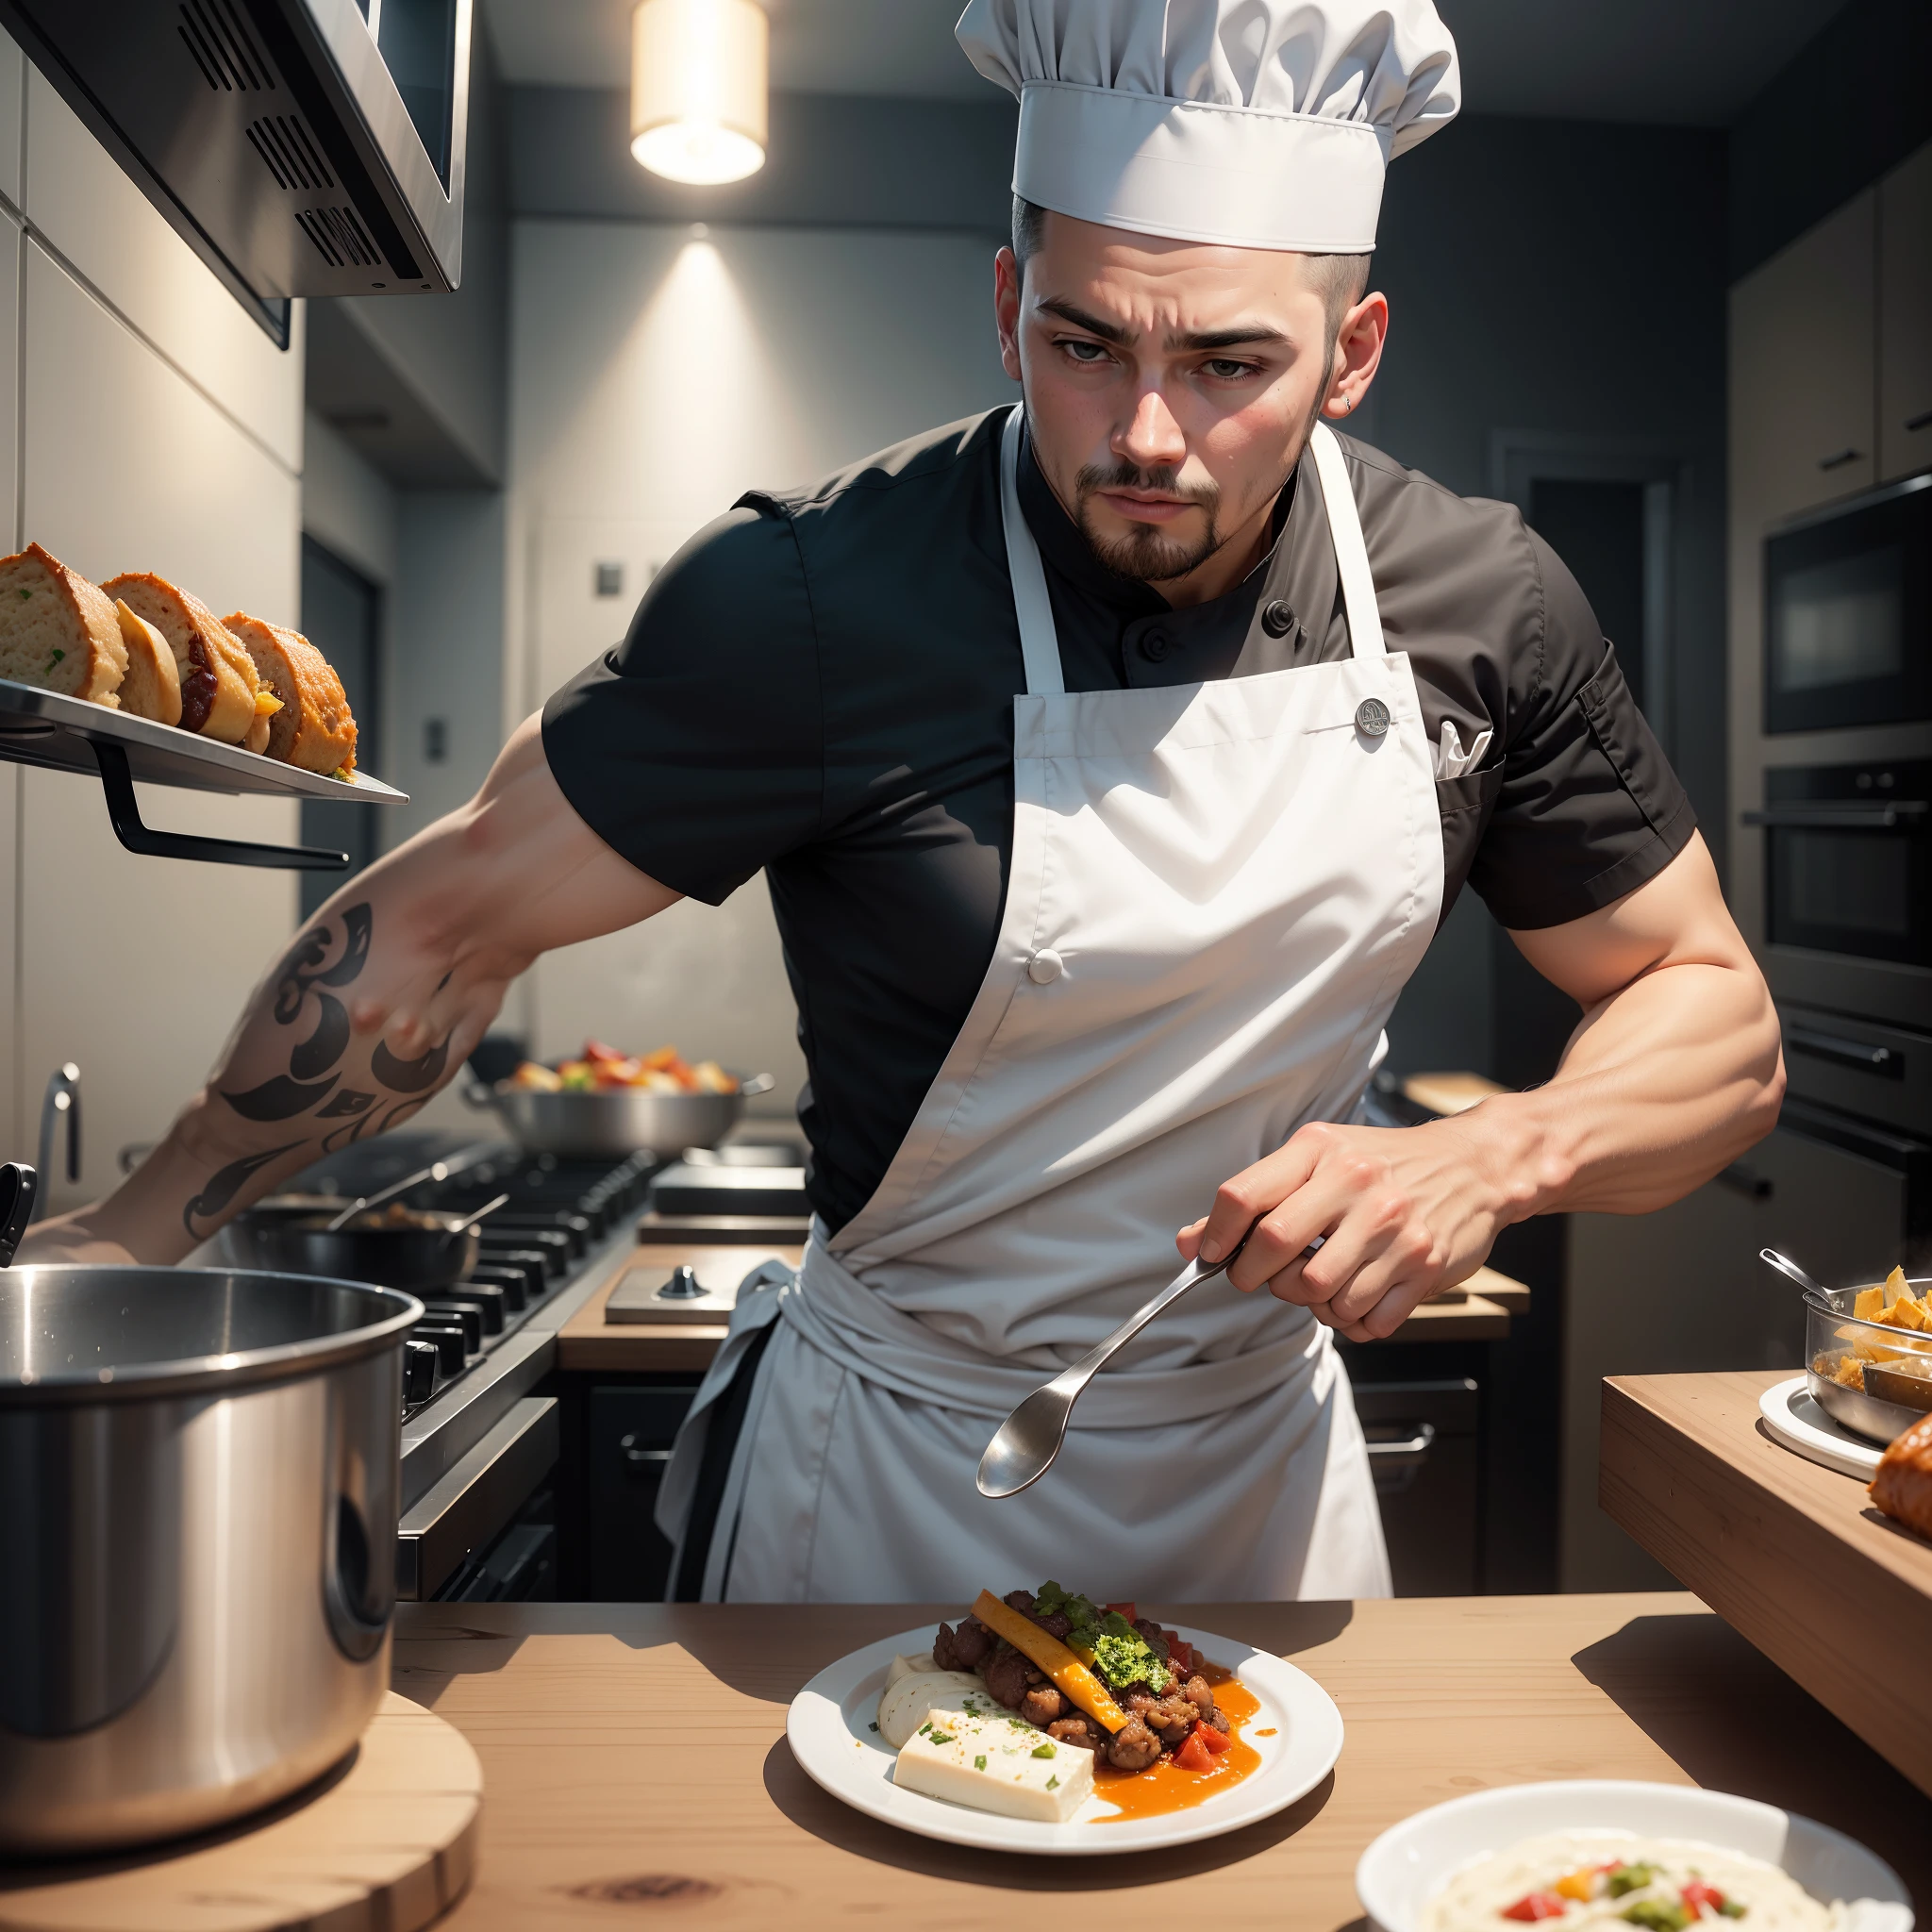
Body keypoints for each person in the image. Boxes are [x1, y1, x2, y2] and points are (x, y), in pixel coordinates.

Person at [24, 0, 1783, 1603]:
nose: (1146, 437)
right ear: (1011, 308)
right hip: (894, 1477)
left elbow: (1710, 1011)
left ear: (1355, 351)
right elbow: (445, 919)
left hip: (1260, 1476)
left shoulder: (1490, 609)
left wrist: (1497, 1153)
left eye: (1231, 367)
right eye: (1088, 346)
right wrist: (129, 1225)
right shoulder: (815, 597)